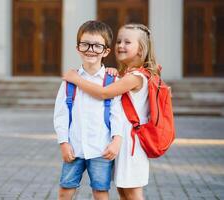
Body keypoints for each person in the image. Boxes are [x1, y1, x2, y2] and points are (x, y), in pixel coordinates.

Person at [63, 23, 160, 200]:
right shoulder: (126, 74)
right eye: (119, 41)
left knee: (132, 192)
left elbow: (104, 93)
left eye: (127, 42)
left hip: (131, 143)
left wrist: (76, 79)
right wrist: (114, 72)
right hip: (119, 140)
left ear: (141, 50)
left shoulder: (136, 77)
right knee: (123, 191)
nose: (121, 45)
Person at [53, 20, 125, 200]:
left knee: (100, 191)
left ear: (106, 51)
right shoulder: (69, 81)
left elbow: (117, 114)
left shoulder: (111, 81)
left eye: (97, 45)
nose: (90, 49)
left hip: (101, 147)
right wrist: (63, 142)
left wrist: (116, 141)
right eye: (85, 44)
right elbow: (60, 115)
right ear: (78, 47)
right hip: (74, 146)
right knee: (65, 190)